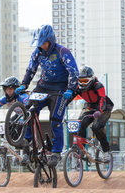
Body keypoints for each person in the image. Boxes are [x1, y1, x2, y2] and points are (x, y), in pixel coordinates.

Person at [16, 24, 79, 167]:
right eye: (40, 44)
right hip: (43, 86)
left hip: (60, 89)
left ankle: (56, 152)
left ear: (51, 40)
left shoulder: (63, 51)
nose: (42, 46)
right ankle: (27, 146)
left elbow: (74, 72)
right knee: (29, 112)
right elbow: (31, 70)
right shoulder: (37, 53)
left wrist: (71, 88)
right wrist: (24, 84)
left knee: (55, 120)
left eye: (44, 43)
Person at [69, 66, 114, 161]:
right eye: (80, 81)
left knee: (96, 128)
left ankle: (106, 151)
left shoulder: (98, 86)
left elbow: (102, 99)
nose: (82, 83)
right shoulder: (78, 88)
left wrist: (99, 111)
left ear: (92, 79)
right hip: (90, 107)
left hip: (104, 108)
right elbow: (69, 98)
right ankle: (82, 150)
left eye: (85, 81)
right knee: (80, 124)